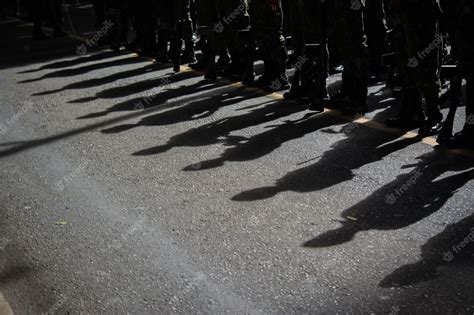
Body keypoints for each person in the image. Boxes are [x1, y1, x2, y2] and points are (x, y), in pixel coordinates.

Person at [331, 0, 369, 115]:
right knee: (346, 52)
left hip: (352, 13)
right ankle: (348, 93)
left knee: (356, 53)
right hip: (343, 14)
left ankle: (359, 101)